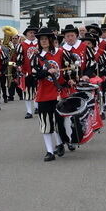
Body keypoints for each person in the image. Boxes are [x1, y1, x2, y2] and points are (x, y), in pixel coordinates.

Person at [31, 27, 78, 162]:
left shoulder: (62, 53)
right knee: (46, 124)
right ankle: (49, 151)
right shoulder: (36, 56)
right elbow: (35, 75)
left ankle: (61, 143)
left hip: (59, 93)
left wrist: (71, 79)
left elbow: (72, 68)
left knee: (59, 122)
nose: (44, 41)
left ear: (51, 40)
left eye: (46, 39)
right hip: (43, 94)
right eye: (41, 40)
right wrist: (46, 72)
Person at [15, 26, 40, 119]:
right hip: (27, 72)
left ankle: (37, 107)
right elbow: (19, 59)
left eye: (34, 32)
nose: (32, 34)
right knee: (28, 92)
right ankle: (29, 111)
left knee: (38, 90)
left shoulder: (39, 44)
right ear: (26, 34)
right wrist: (20, 69)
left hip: (39, 72)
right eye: (30, 33)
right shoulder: (22, 45)